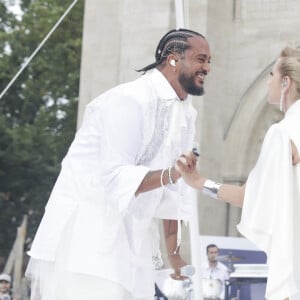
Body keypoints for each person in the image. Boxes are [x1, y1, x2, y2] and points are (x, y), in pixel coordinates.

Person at [25, 28, 212, 300]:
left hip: (133, 240)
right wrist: (172, 174)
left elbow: (175, 191)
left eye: (209, 61)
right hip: (89, 236)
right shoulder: (129, 99)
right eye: (201, 59)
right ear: (173, 60)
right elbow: (115, 177)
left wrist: (174, 255)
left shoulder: (187, 114)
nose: (207, 68)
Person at [175, 46, 300, 300]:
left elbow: (249, 197)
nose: (268, 81)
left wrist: (198, 181)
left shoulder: (282, 133)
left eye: (272, 75)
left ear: (286, 82)